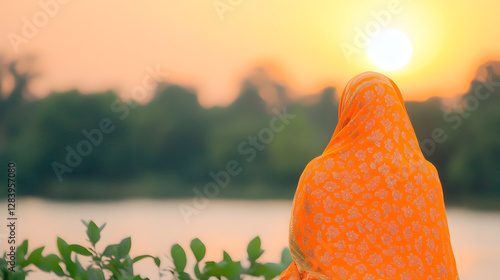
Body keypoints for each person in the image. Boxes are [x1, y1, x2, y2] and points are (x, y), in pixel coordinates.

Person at [279, 72, 459, 280]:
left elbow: (305, 255)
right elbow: (439, 261)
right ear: (397, 111)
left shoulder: (319, 173)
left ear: (348, 110)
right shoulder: (425, 177)